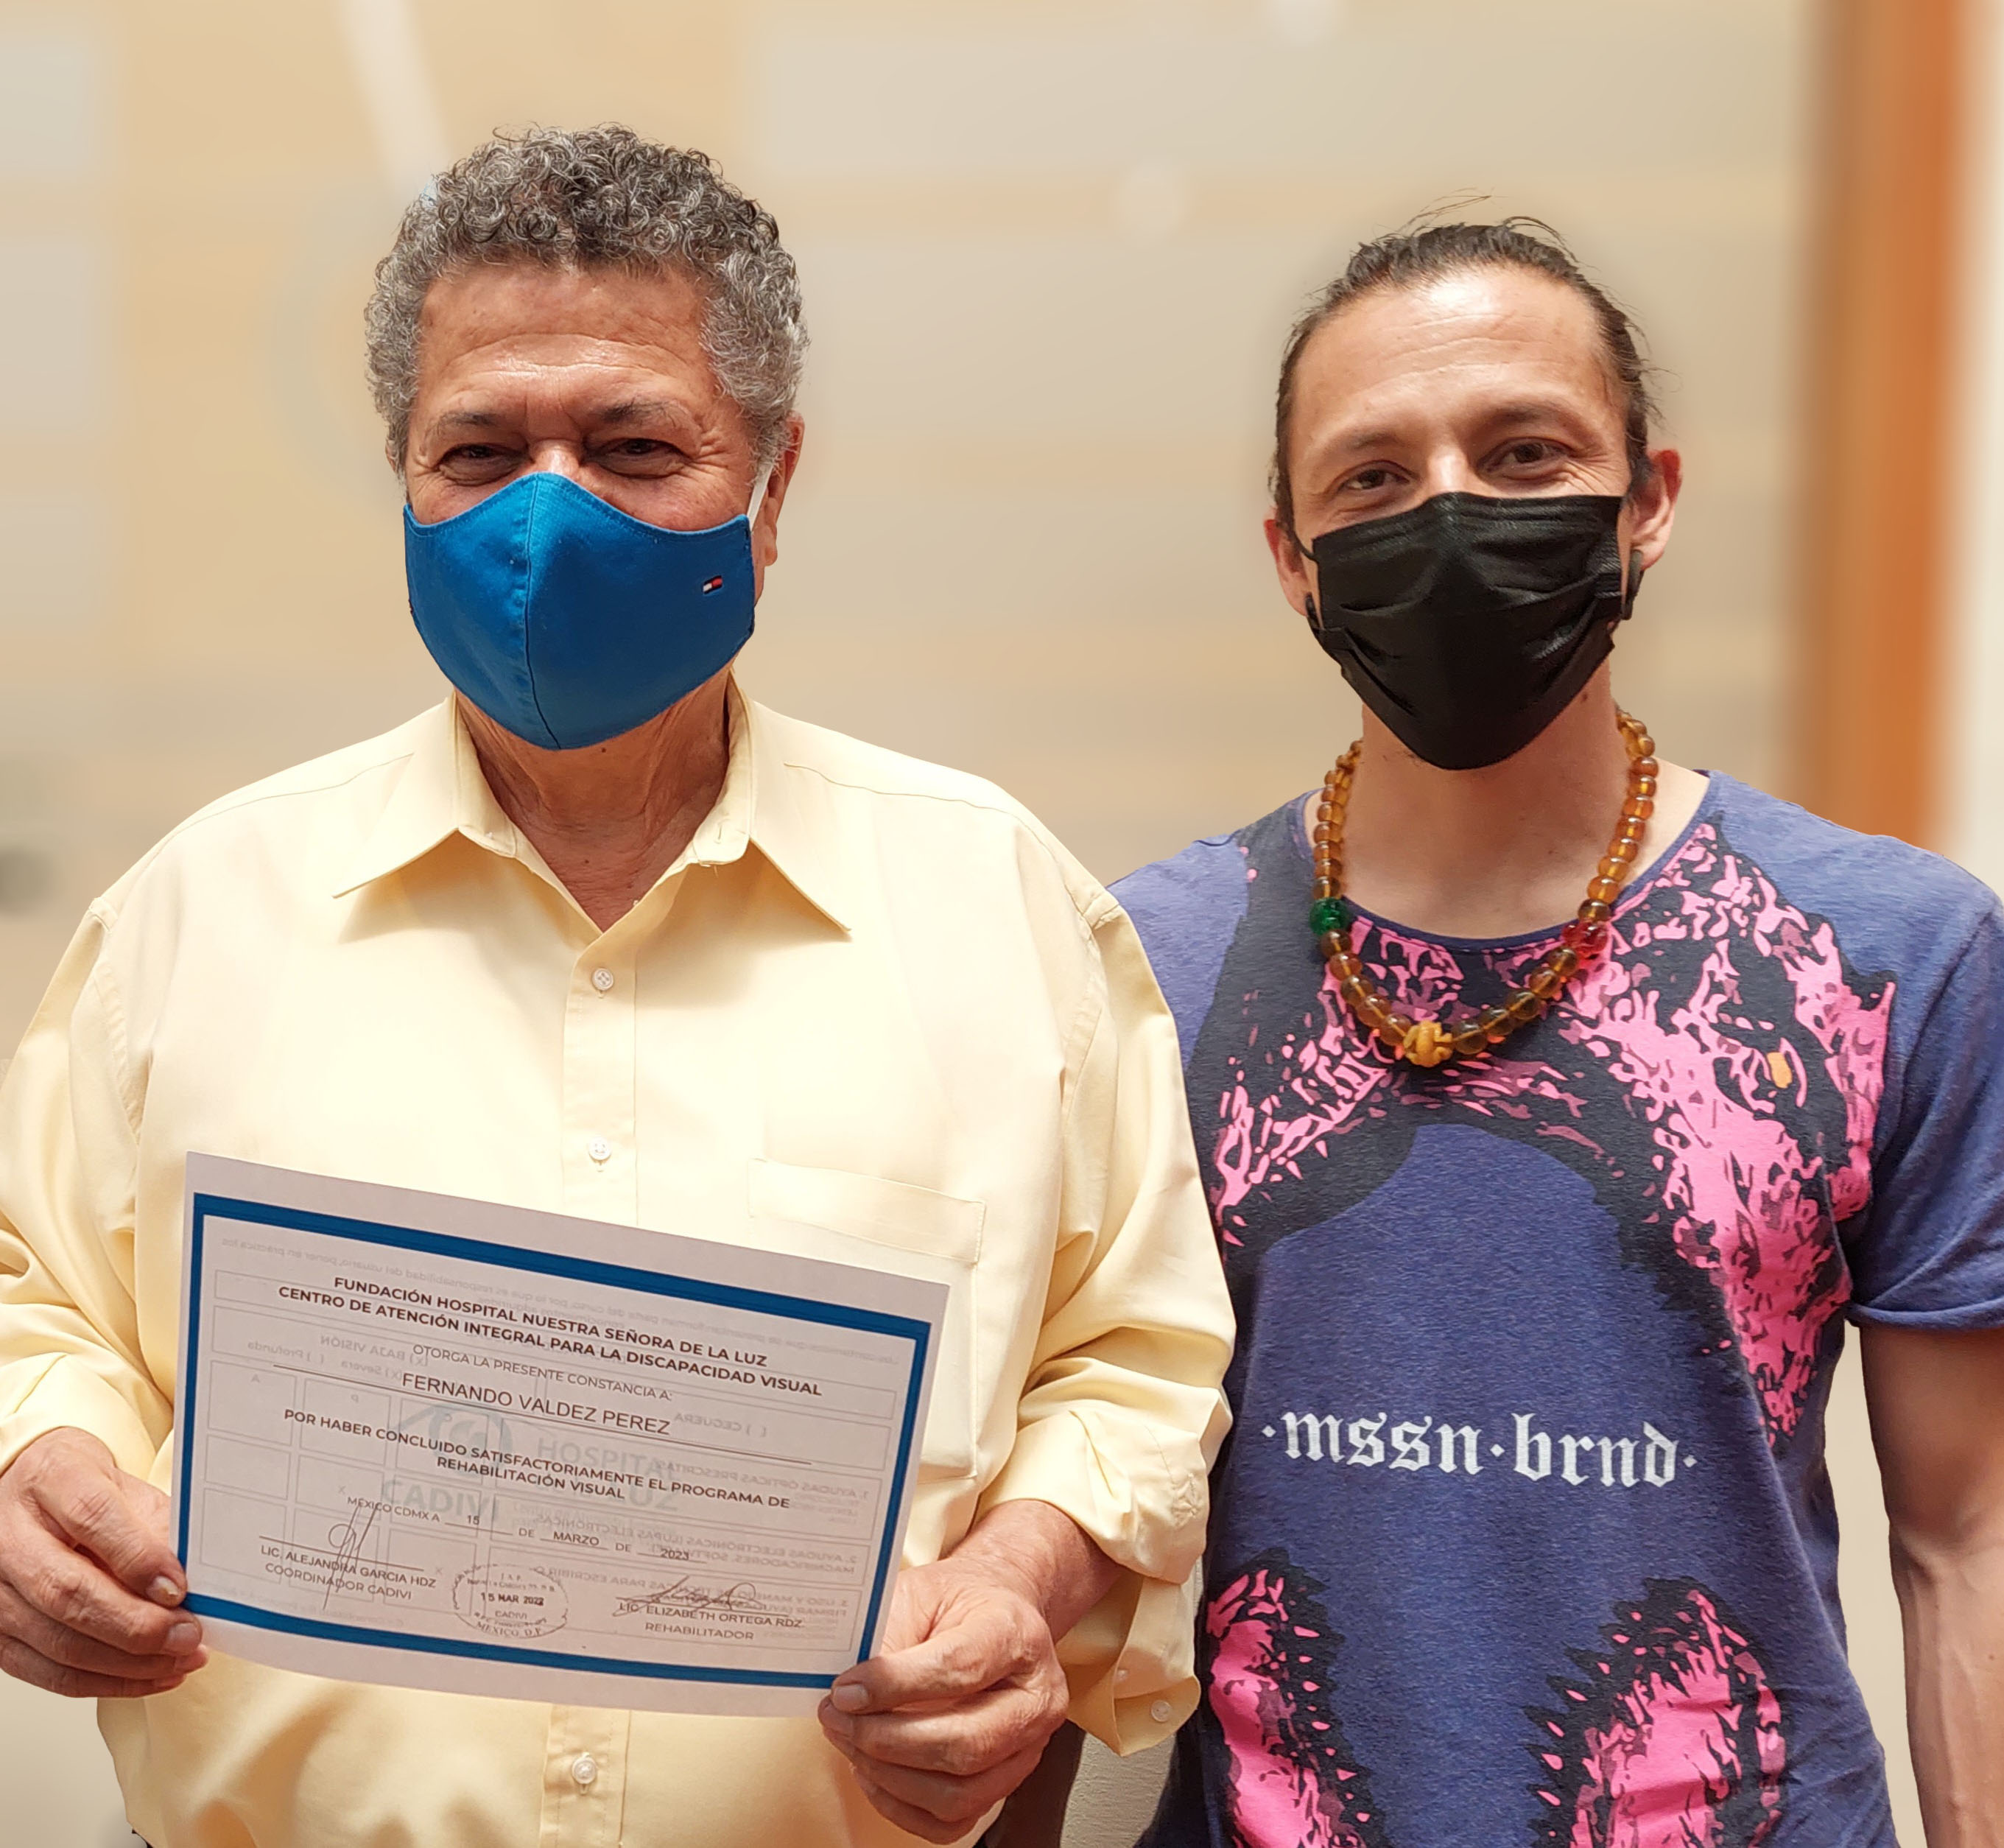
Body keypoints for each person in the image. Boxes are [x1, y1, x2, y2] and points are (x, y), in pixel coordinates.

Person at [0, 127, 1232, 1848]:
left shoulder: (1000, 908)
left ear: (772, 485)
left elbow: (1132, 1355)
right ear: (403, 476)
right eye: (479, 450)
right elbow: (37, 1293)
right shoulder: (195, 914)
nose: (543, 516)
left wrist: (1027, 1581)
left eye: (636, 446)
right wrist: (32, 1465)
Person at [1113, 220, 2004, 1846]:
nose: (1448, 511)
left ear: (1645, 499)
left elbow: (1965, 1536)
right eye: (1370, 477)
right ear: (1290, 556)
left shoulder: (1884, 956)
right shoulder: (1143, 964)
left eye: (1522, 451)